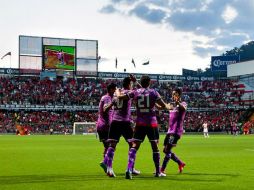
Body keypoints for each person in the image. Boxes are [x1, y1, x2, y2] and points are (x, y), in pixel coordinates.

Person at [117, 75, 171, 179]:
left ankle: (129, 169)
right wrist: (161, 106)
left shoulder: (136, 92)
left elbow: (122, 97)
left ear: (141, 82)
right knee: (155, 147)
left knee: (134, 146)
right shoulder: (153, 92)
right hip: (151, 123)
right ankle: (157, 172)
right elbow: (163, 105)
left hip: (140, 123)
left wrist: (117, 92)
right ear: (149, 82)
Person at [102, 76, 140, 177]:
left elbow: (116, 98)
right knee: (133, 145)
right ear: (129, 84)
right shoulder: (129, 92)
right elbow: (141, 90)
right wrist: (136, 82)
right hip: (124, 122)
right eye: (131, 84)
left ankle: (109, 169)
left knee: (112, 146)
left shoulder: (116, 92)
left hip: (114, 121)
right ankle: (130, 168)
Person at [160, 88, 187, 175]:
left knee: (167, 150)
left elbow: (184, 109)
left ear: (179, 95)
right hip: (169, 131)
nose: (172, 95)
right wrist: (154, 103)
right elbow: (162, 107)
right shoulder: (171, 105)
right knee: (165, 150)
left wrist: (178, 102)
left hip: (176, 131)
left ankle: (162, 170)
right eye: (172, 94)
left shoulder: (183, 104)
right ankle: (180, 163)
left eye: (174, 94)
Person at [96, 83, 117, 171]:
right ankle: (106, 164)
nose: (116, 91)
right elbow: (105, 109)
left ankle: (106, 165)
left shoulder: (109, 98)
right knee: (111, 147)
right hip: (104, 126)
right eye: (115, 89)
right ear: (111, 89)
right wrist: (112, 103)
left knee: (108, 147)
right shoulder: (106, 98)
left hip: (105, 126)